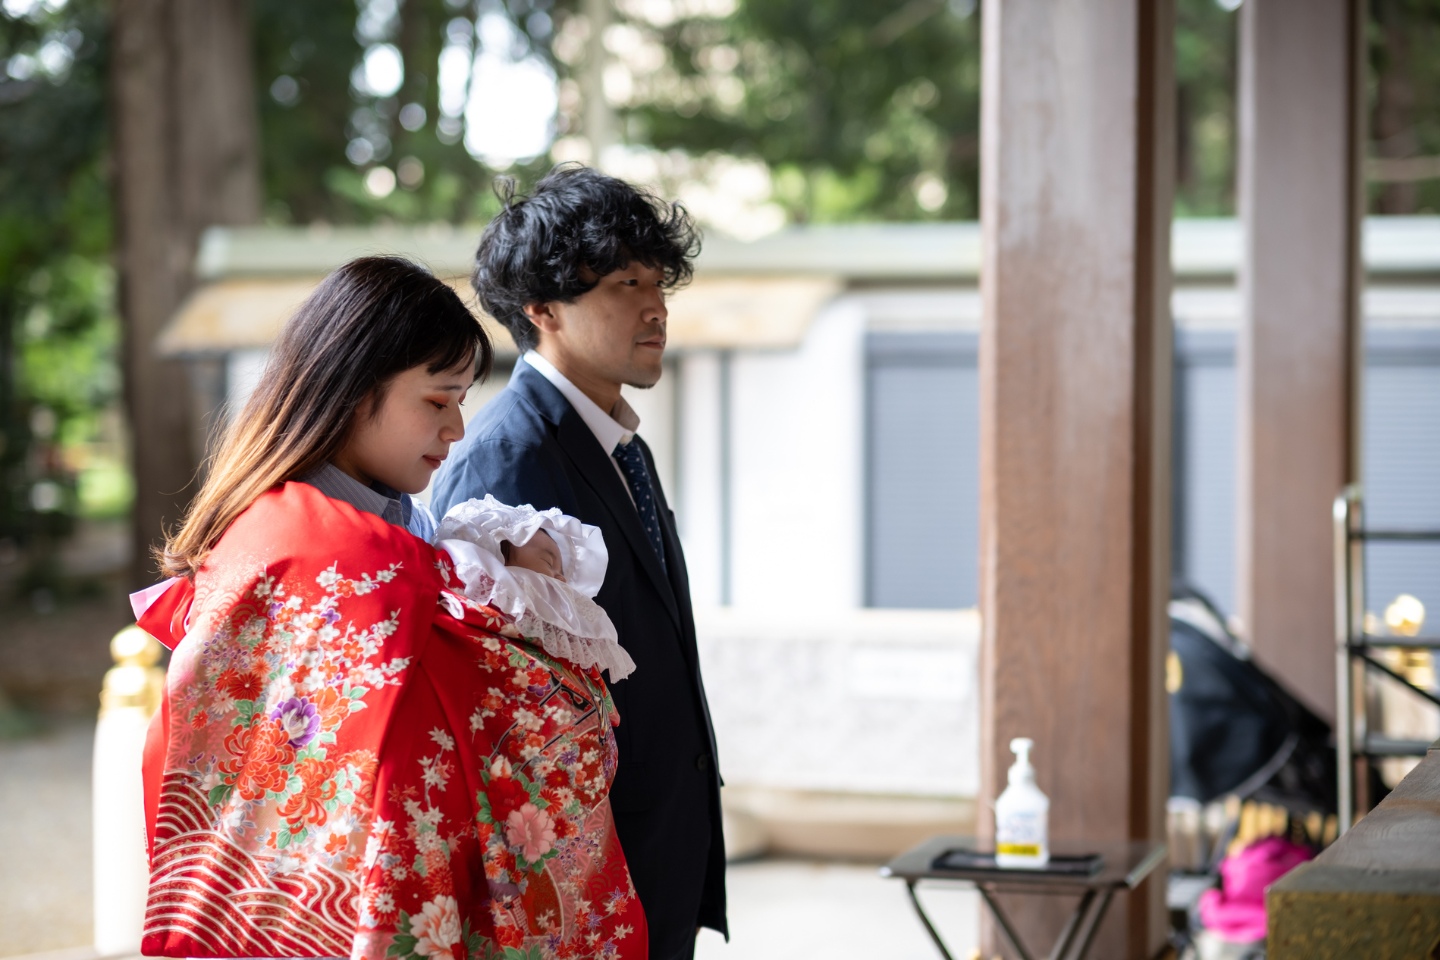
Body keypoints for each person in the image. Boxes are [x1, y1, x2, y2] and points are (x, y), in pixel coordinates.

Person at [132, 256, 647, 960]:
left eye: (462, 399)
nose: (457, 428)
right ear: (351, 390)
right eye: (437, 401)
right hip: (337, 905)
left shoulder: (396, 528)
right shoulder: (306, 548)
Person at [432, 164, 726, 960]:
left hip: (657, 849)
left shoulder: (621, 444)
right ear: (543, 309)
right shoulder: (506, 461)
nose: (655, 306)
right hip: (582, 879)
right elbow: (502, 711)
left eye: (658, 281)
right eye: (626, 283)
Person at [436, 494, 636, 683]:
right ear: (499, 563)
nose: (562, 579)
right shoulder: (483, 626)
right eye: (548, 562)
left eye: (562, 573)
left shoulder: (562, 641)